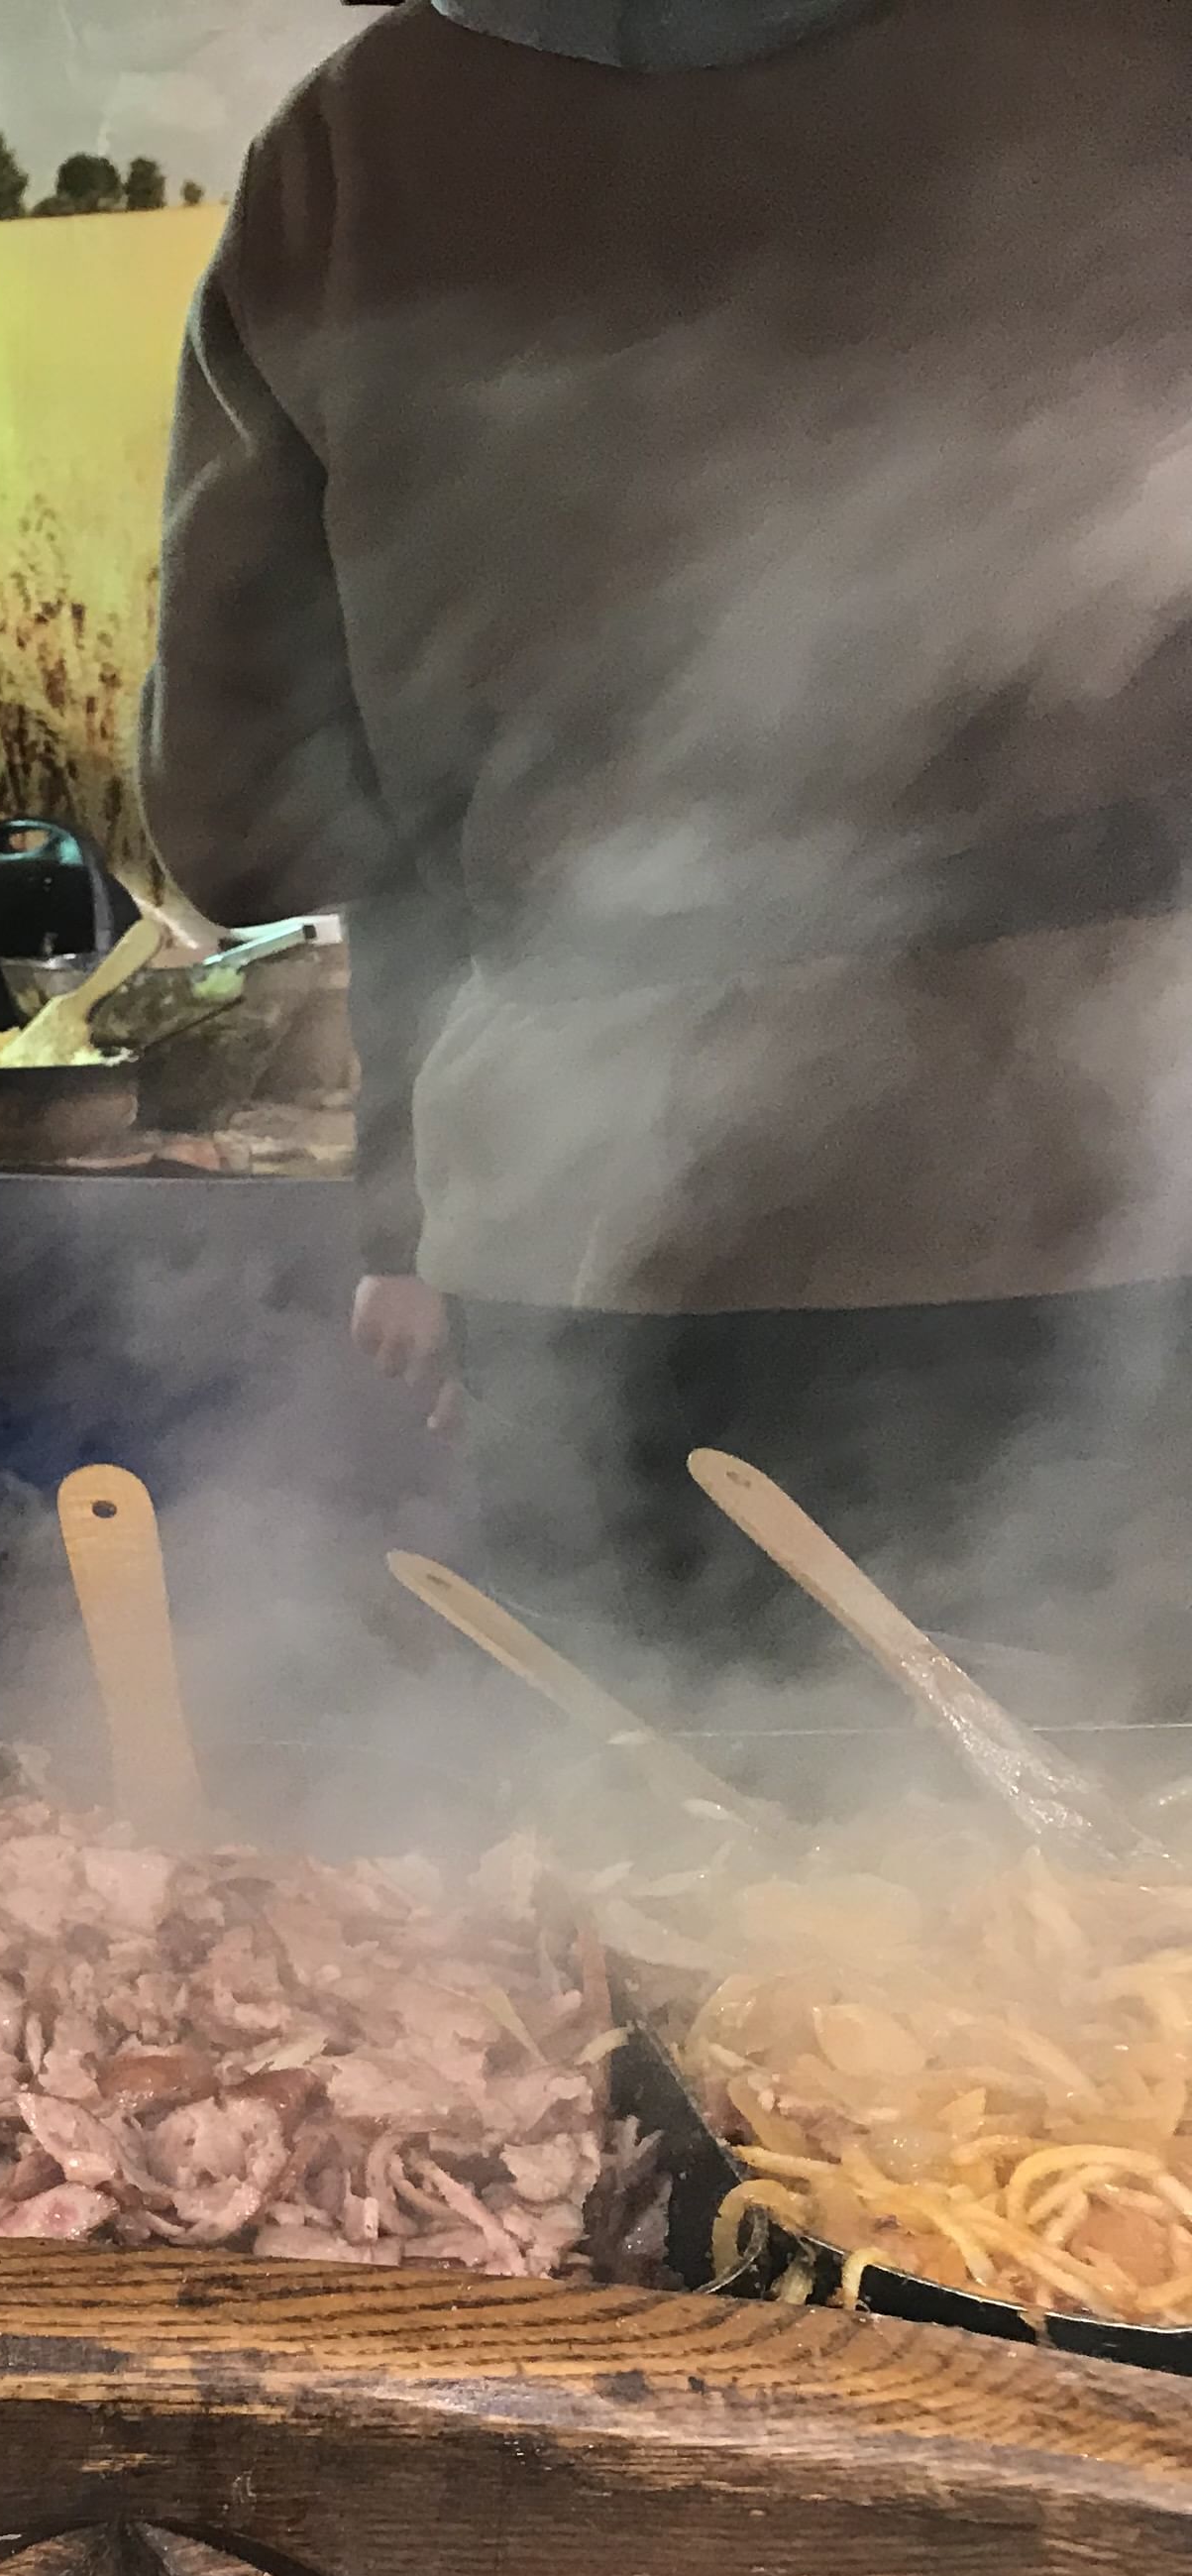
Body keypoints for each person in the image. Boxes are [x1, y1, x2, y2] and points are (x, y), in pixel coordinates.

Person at [146, 0, 1192, 1717]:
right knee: (1133, 1837)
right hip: (1108, 1206)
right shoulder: (1131, 56)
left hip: (592, 1230)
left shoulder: (352, 149)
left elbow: (239, 819)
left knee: (664, 1836)